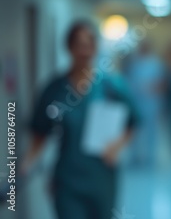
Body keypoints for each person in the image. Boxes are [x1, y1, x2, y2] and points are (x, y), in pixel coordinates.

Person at [23, 21, 138, 219]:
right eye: (79, 45)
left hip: (102, 178)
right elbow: (39, 134)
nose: (85, 51)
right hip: (67, 180)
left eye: (89, 45)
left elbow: (134, 122)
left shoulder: (112, 86)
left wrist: (117, 146)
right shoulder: (54, 89)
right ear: (69, 47)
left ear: (96, 48)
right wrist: (23, 168)